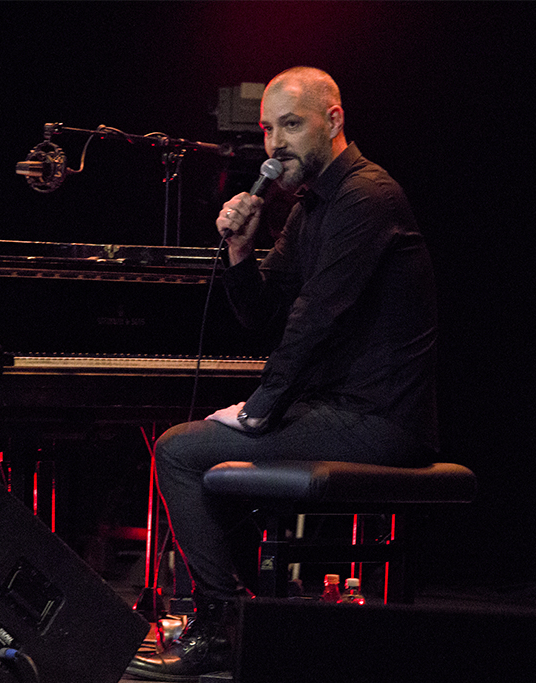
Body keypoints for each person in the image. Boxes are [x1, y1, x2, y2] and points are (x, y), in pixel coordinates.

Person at [125, 66, 439, 680]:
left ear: (334, 120)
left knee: (179, 452)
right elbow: (264, 316)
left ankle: (224, 626)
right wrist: (241, 251)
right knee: (203, 455)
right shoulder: (311, 208)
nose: (275, 144)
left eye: (291, 125)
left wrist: (258, 411)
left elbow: (316, 319)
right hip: (337, 411)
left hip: (381, 421)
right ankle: (258, 622)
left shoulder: (367, 196)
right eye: (269, 130)